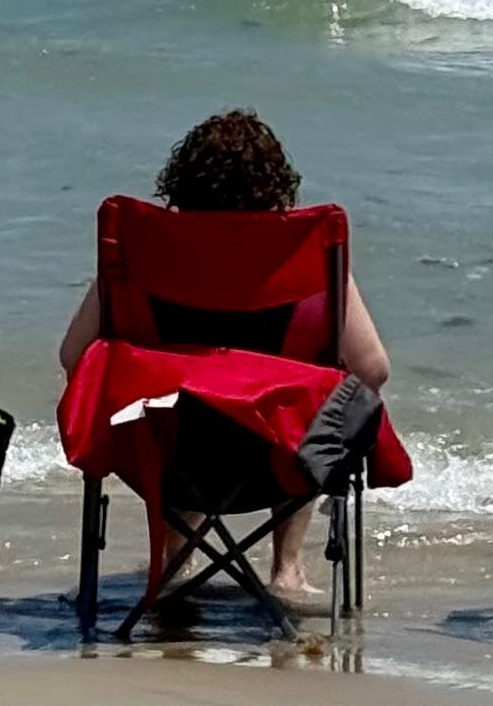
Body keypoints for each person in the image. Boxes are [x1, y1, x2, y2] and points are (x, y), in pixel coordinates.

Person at [58, 108, 390, 620]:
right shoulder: (305, 249)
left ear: (182, 183)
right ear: (277, 184)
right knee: (307, 397)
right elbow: (372, 370)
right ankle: (287, 569)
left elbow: (73, 357)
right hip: (279, 463)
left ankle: (176, 563)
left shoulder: (143, 245)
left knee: (176, 393)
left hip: (172, 456)